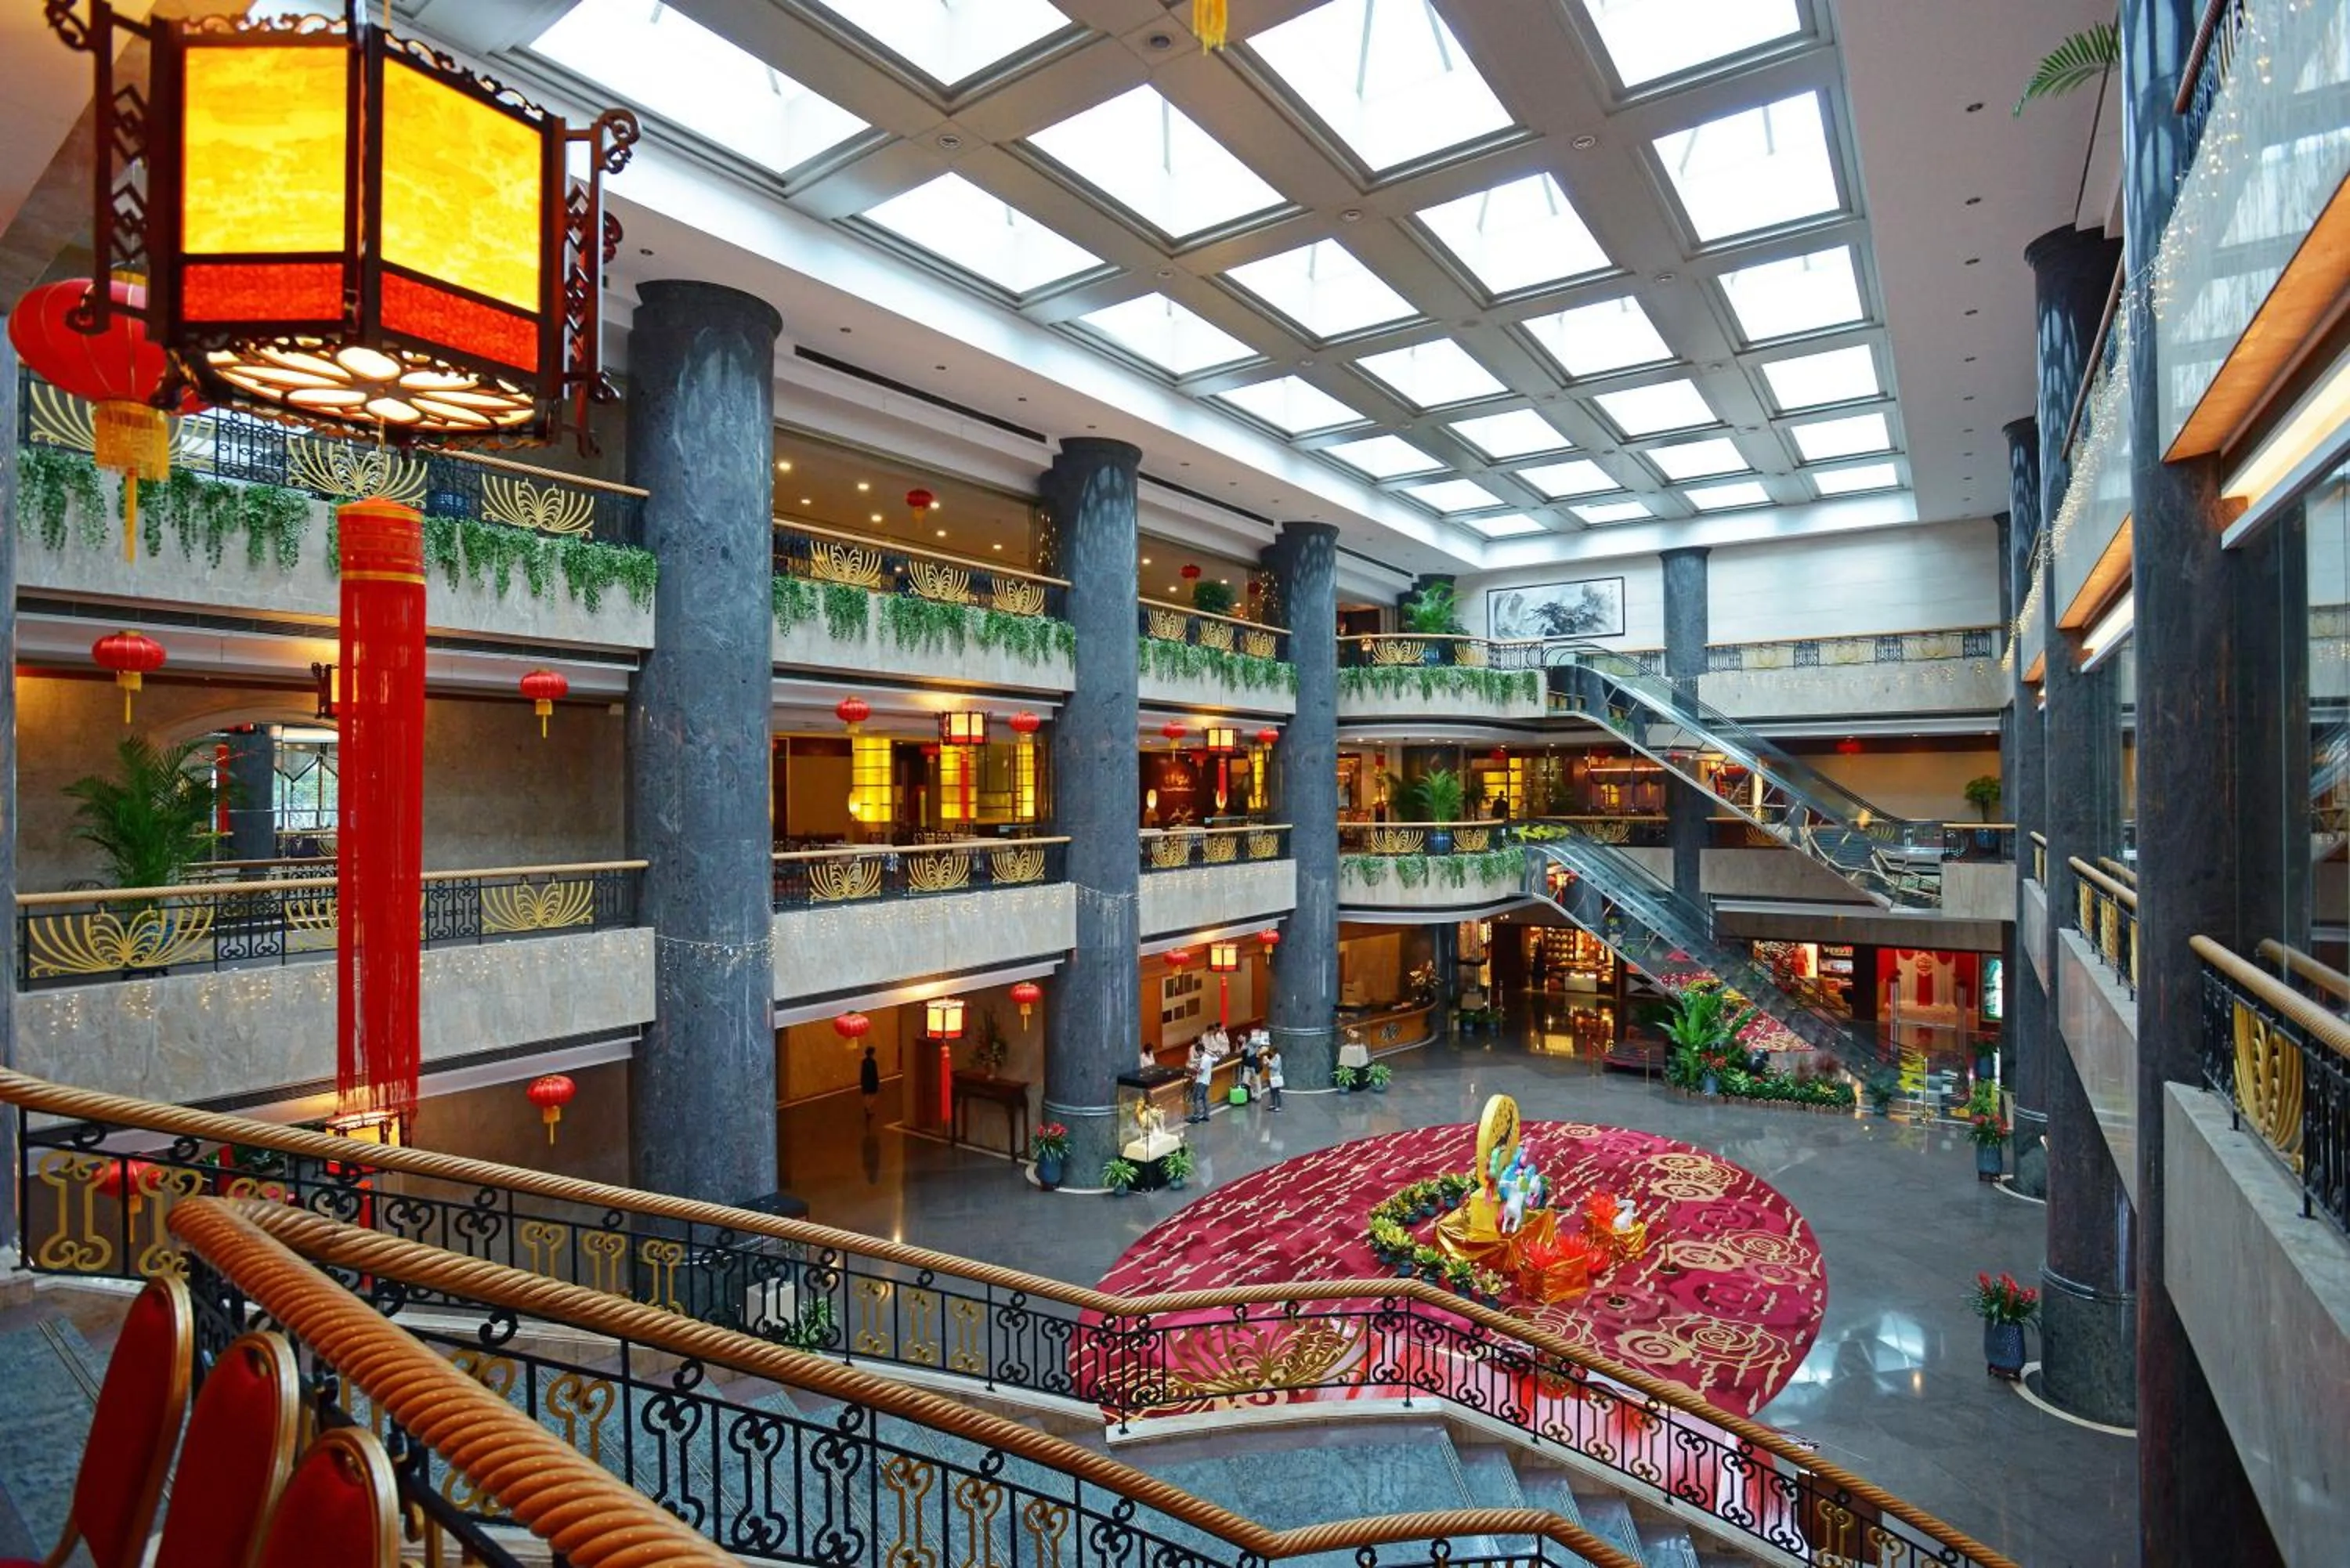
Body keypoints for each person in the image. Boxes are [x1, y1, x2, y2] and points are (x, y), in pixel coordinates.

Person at [1188, 1042, 1213, 1123]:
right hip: (1207, 1081)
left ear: (1199, 1051)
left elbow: (1201, 1072)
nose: (1197, 1054)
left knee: (1196, 1099)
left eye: (1197, 1052)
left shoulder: (1204, 1059)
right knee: (1205, 1099)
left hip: (1201, 1082)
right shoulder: (1208, 1057)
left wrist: (1193, 1070)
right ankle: (1206, 1115)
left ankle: (1196, 1117)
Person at [859, 1044, 880, 1121]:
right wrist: (877, 1082)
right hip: (872, 1081)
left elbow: (863, 1072)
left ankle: (867, 1107)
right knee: (873, 1095)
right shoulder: (873, 1062)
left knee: (867, 1095)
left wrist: (862, 1081)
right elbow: (875, 1073)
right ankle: (868, 1108)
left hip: (865, 1081)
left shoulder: (864, 1062)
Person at [1264, 1044, 1285, 1111]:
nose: (1270, 1052)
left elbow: (1275, 1067)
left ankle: (1279, 1106)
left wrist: (1268, 1062)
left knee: (1277, 1092)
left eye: (1271, 1051)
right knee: (1272, 1092)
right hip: (1272, 1076)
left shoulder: (1278, 1057)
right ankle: (1272, 1105)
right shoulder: (1273, 1057)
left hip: (1276, 1077)